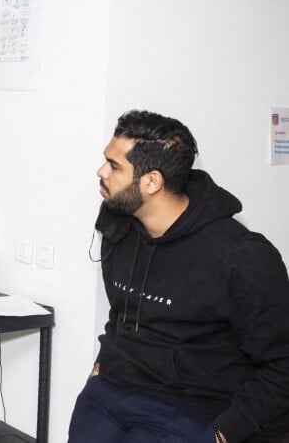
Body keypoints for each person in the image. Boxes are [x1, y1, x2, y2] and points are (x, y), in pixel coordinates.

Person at [68, 110, 289, 443]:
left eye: (114, 166)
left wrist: (223, 432)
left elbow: (282, 364)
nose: (101, 172)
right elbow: (123, 311)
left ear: (152, 181)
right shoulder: (118, 223)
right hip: (110, 393)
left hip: (189, 409)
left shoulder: (241, 255)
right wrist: (101, 366)